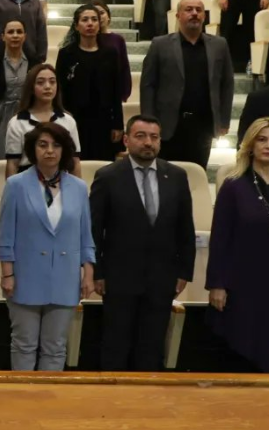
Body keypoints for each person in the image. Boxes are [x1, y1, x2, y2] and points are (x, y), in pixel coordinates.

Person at [90, 115, 195, 371]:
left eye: (154, 137)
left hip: (162, 278)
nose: (148, 142)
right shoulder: (108, 176)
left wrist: (184, 271)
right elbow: (94, 230)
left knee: (151, 347)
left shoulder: (177, 176)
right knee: (116, 346)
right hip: (118, 278)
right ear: (126, 140)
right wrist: (97, 272)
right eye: (140, 136)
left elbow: (185, 229)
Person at [0, 122, 95, 371]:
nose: (49, 150)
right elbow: (6, 234)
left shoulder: (79, 187)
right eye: (43, 145)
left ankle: (48, 403)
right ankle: (22, 403)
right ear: (33, 149)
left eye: (56, 145)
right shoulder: (16, 184)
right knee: (24, 344)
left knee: (56, 347)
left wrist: (89, 273)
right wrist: (7, 273)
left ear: (65, 150)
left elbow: (85, 235)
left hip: (65, 277)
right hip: (25, 276)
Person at [141, 0, 235, 169]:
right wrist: (148, 121)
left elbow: (227, 84)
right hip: (168, 125)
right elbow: (148, 85)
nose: (194, 14)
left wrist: (224, 121)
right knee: (165, 175)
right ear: (178, 16)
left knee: (197, 173)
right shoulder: (160, 44)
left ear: (204, 16)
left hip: (203, 125)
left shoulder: (219, 45)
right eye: (188, 9)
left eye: (199, 10)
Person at [206, 117, 269, 372]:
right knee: (245, 346)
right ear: (250, 145)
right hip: (244, 280)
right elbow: (220, 237)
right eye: (262, 139)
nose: (267, 145)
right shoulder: (234, 185)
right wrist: (217, 284)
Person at [55, 5, 124, 162]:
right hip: (74, 120)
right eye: (85, 20)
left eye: (94, 19)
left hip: (103, 121)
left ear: (100, 25)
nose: (90, 24)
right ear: (76, 26)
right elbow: (59, 89)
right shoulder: (66, 54)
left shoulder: (110, 53)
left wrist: (118, 124)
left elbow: (116, 91)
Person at [4, 63, 82, 176]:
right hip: (28, 181)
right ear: (31, 88)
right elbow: (13, 163)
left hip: (61, 181)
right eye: (40, 82)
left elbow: (75, 162)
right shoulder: (17, 122)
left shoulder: (68, 121)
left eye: (52, 82)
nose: (47, 86)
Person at [0, 19, 30, 159]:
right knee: (2, 154)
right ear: (3, 36)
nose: (15, 35)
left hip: (27, 112)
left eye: (19, 32)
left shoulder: (33, 62)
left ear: (25, 36)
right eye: (10, 32)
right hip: (0, 114)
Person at [91, 0, 132, 103]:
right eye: (95, 14)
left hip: (114, 93)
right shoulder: (87, 39)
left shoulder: (118, 39)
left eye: (102, 13)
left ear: (108, 16)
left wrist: (124, 93)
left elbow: (124, 67)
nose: (99, 17)